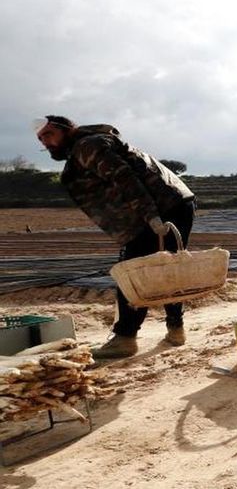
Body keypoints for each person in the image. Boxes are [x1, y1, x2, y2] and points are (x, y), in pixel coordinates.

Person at [34, 115, 196, 359]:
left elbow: (125, 178)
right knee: (168, 267)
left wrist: (151, 217)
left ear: (66, 129)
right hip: (174, 201)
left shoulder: (87, 146)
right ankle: (176, 329)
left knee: (131, 271)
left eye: (49, 134)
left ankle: (125, 339)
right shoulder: (88, 144)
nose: (46, 142)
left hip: (160, 207)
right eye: (41, 138)